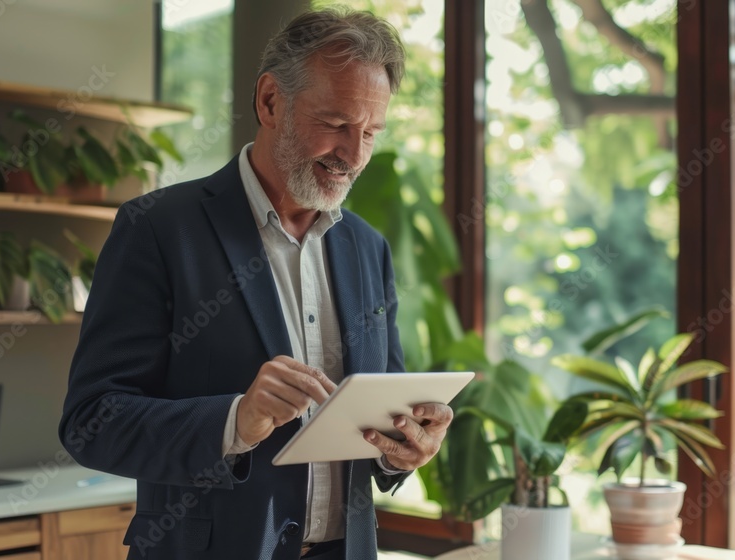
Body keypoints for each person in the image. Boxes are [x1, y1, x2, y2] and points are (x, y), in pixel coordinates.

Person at [59, 8, 453, 560]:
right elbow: (91, 423)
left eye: (370, 132)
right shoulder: (157, 228)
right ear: (270, 102)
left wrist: (403, 448)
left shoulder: (369, 248)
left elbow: (380, 412)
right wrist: (235, 421)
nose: (354, 154)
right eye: (336, 124)